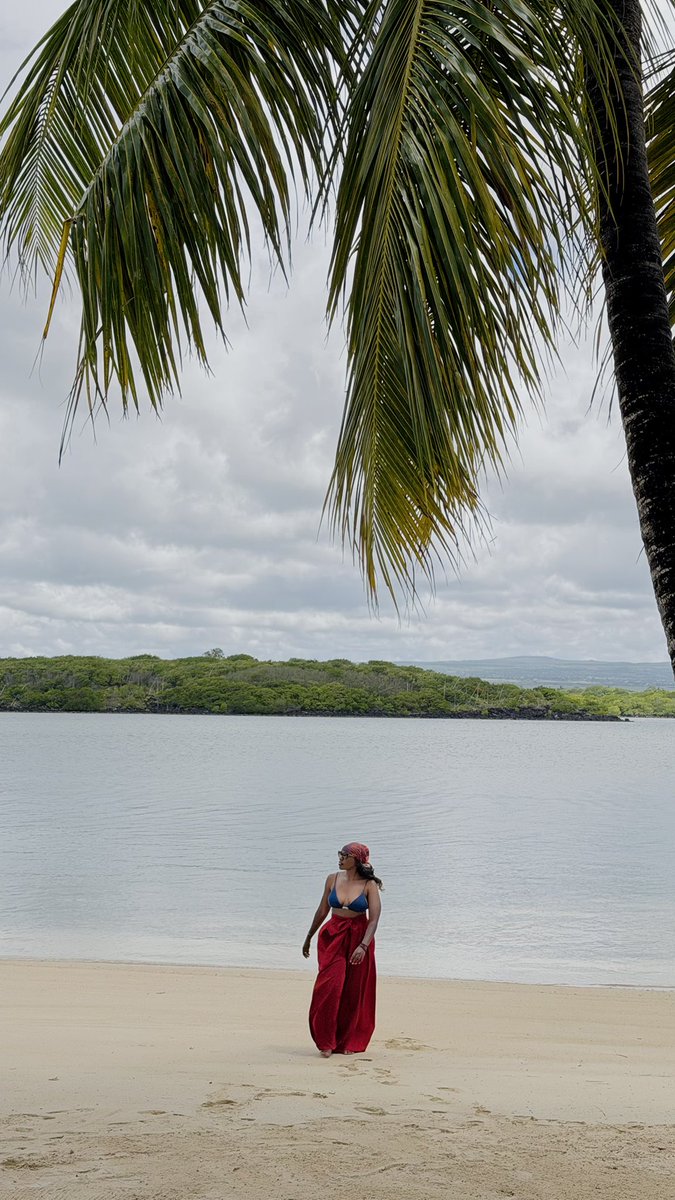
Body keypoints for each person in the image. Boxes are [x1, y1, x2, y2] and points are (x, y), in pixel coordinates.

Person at [303, 841, 383, 1056]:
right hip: (333, 936)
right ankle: (326, 1041)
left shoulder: (369, 885)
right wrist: (309, 936)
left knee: (353, 991)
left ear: (356, 860)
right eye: (340, 853)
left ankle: (347, 1040)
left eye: (345, 855)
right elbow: (322, 910)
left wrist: (363, 946)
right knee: (329, 986)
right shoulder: (332, 879)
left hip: (359, 938)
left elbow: (374, 920)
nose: (340, 858)